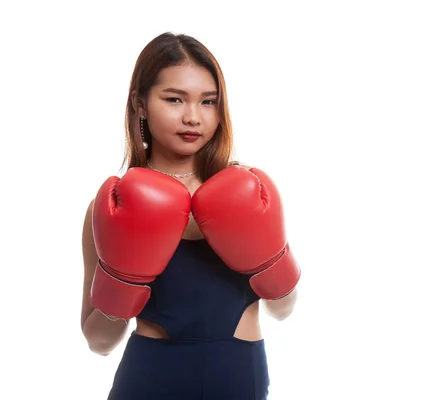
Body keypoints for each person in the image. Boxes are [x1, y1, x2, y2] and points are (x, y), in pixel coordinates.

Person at [80, 32, 301, 399]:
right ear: (141, 104)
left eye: (208, 101)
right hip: (148, 379)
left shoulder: (248, 190)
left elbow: (283, 309)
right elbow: (98, 342)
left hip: (238, 379)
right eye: (174, 99)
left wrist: (271, 263)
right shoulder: (112, 206)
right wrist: (122, 283)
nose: (193, 117)